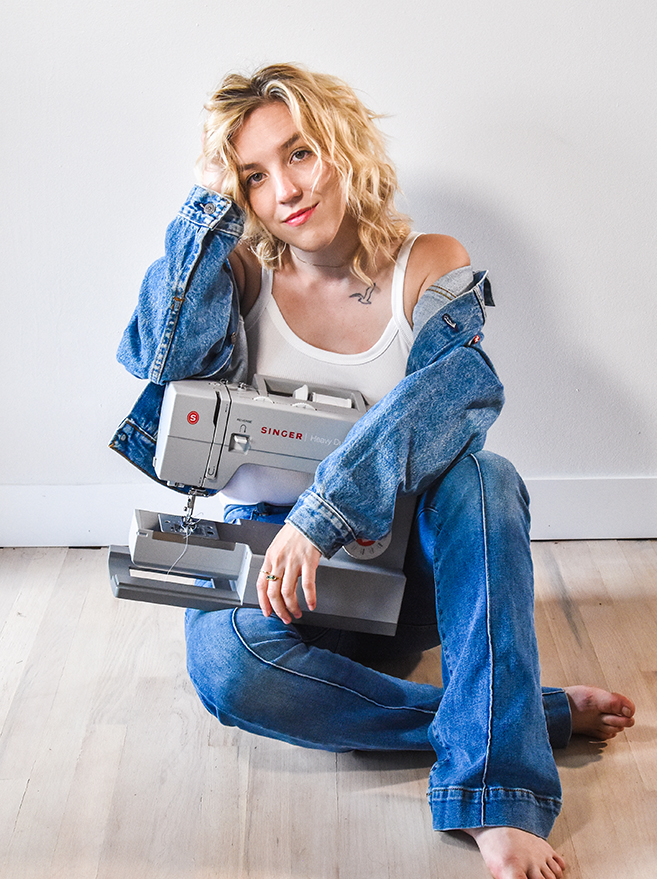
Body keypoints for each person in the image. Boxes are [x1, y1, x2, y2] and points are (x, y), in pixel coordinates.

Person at [111, 64, 635, 879]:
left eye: (299, 153)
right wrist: (206, 211)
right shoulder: (240, 273)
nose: (284, 190)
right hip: (274, 566)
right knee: (225, 665)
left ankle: (494, 789)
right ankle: (514, 717)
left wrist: (321, 513)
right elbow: (163, 361)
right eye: (253, 176)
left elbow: (457, 392)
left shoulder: (429, 261)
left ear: (343, 144)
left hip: (405, 562)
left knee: (485, 478)